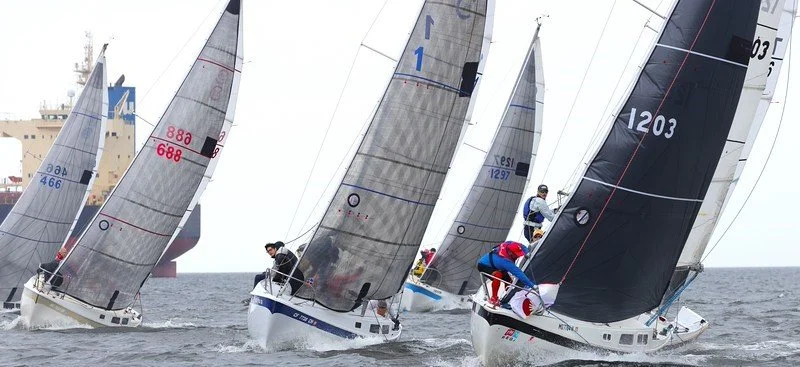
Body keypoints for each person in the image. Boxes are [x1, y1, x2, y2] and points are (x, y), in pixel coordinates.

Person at [476, 241, 537, 307]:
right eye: (516, 254)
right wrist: (533, 286)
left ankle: (506, 300)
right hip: (483, 265)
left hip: (498, 266)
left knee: (509, 282)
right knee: (498, 275)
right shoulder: (506, 261)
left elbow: (522, 246)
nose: (518, 256)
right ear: (510, 252)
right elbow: (519, 274)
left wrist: (527, 252)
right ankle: (494, 298)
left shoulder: (510, 244)